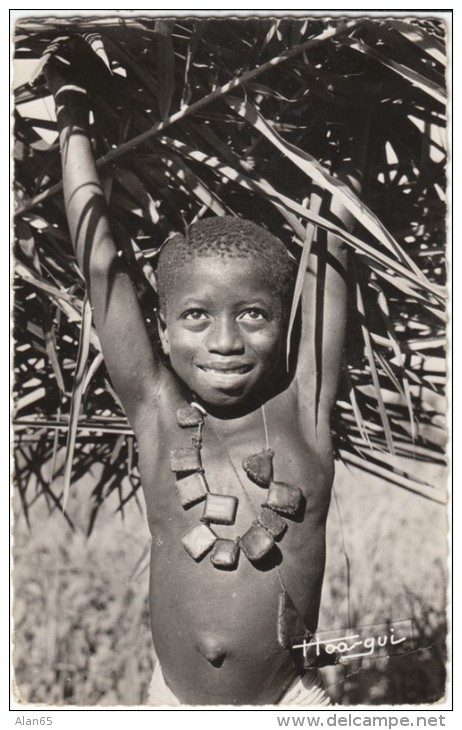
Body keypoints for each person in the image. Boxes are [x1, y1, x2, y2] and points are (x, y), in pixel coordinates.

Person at [44, 37, 349, 706]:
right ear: (161, 329)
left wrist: (328, 132)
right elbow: (101, 268)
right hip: (170, 703)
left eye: (252, 317)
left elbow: (334, 247)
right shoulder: (157, 414)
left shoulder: (304, 415)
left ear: (285, 326)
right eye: (195, 317)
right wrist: (71, 123)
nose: (224, 342)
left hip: (287, 706)